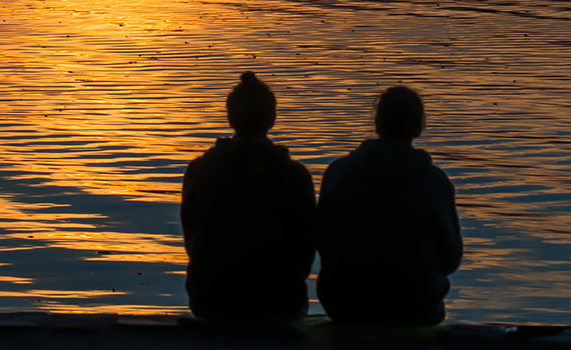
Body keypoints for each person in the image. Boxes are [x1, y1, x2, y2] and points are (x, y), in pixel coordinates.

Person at [316, 85, 462, 325]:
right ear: (419, 127)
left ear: (377, 124)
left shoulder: (338, 173)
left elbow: (323, 241)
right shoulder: (435, 183)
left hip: (345, 306)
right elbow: (450, 261)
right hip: (416, 310)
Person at [181, 72, 316, 320]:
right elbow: (305, 248)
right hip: (279, 303)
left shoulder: (200, 170)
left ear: (230, 117)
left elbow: (192, 238)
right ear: (272, 118)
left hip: (211, 301)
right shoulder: (295, 176)